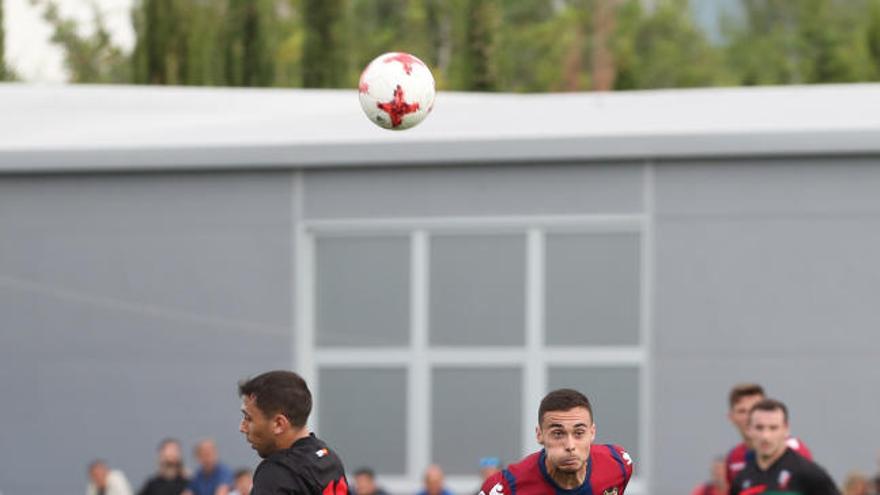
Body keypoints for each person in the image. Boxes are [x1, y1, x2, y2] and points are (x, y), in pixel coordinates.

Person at [479, 388, 633, 495]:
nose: (570, 446)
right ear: (540, 435)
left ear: (592, 433)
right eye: (558, 434)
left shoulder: (618, 463)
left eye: (579, 433)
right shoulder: (504, 488)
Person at [238, 370, 348, 495]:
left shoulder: (277, 473)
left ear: (279, 424)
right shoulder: (329, 458)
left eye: (249, 418)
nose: (242, 427)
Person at [730, 399, 839, 495]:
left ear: (786, 429)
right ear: (749, 430)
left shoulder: (808, 474)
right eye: (759, 428)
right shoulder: (741, 480)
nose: (765, 436)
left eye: (773, 428)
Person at [725, 383, 812, 484]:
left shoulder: (793, 450)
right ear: (731, 417)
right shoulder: (734, 457)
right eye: (742, 411)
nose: (749, 417)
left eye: (754, 409)